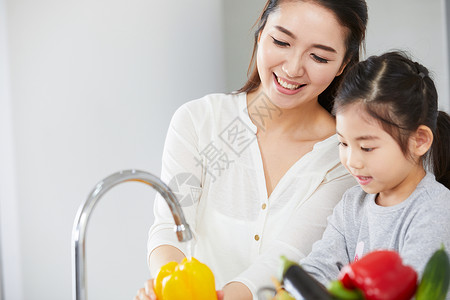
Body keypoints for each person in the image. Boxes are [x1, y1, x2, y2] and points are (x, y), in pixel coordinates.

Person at [135, 0, 368, 299]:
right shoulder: (198, 121)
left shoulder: (345, 157)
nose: (293, 67)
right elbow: (170, 226)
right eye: (281, 41)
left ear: (343, 66)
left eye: (319, 57)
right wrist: (169, 286)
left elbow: (289, 255)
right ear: (260, 34)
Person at [300, 51, 450, 296]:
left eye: (367, 147)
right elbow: (319, 268)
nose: (352, 161)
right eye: (343, 144)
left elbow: (412, 292)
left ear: (419, 140)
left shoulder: (435, 209)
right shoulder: (352, 204)